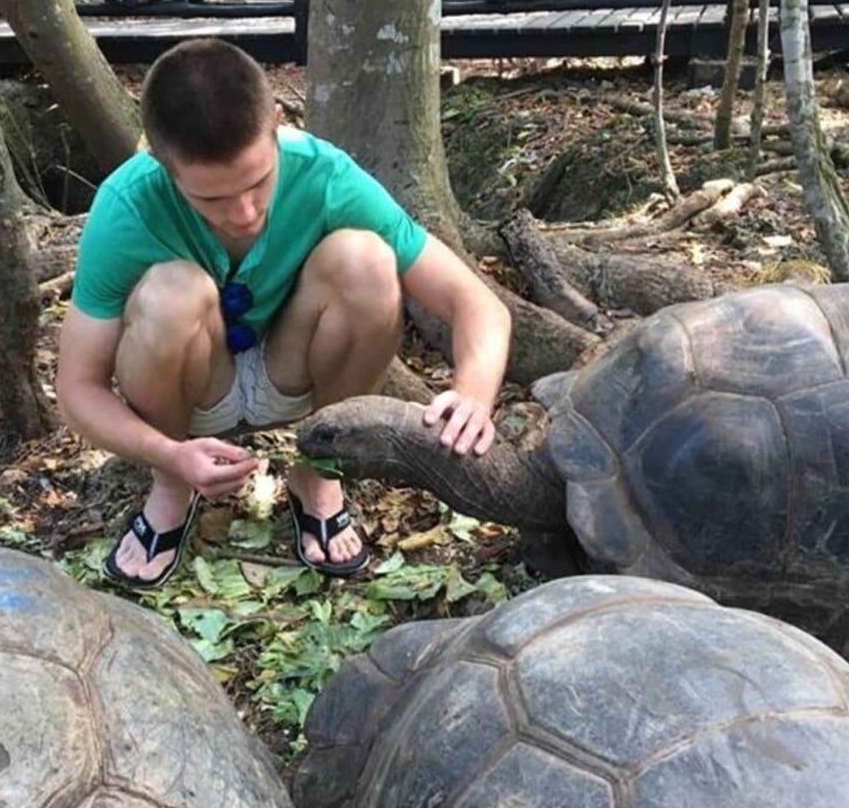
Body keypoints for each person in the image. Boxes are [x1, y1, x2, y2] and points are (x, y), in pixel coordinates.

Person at [55, 38, 512, 589]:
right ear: (160, 163)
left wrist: (473, 393)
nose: (244, 214)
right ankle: (172, 487)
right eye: (212, 200)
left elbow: (476, 303)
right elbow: (79, 389)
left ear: (276, 124)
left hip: (292, 372)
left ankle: (321, 471)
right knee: (169, 292)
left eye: (257, 183)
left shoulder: (324, 175)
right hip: (189, 392)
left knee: (367, 260)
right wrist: (168, 454)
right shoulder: (127, 205)